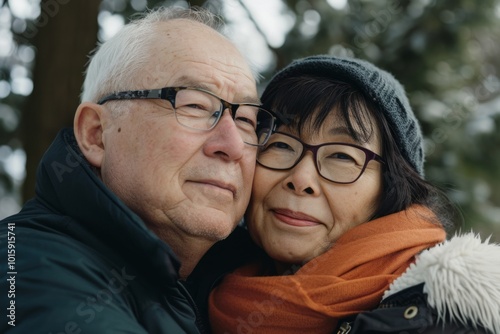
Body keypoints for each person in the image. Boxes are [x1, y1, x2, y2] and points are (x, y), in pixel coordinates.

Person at [0, 6, 279, 333]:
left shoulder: (242, 282)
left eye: (246, 120)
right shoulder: (27, 267)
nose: (231, 146)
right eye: (194, 105)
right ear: (96, 135)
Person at [208, 55, 500, 333]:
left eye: (342, 156)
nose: (300, 180)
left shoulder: (449, 315)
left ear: (391, 188)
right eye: (282, 145)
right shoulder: (195, 277)